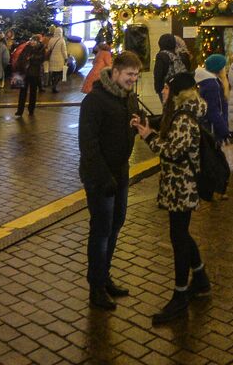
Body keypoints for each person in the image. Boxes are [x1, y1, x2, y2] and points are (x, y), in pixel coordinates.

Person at [133, 73, 211, 325]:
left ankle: (179, 295)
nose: (163, 91)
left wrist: (149, 138)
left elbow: (173, 151)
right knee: (182, 234)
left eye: (166, 88)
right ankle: (200, 279)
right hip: (178, 184)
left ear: (177, 92)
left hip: (182, 185)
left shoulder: (185, 118)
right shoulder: (181, 113)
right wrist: (151, 127)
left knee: (178, 237)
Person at [79, 51, 142, 310]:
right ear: (115, 72)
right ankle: (95, 287)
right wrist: (104, 178)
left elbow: (131, 126)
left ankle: (104, 278)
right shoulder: (95, 101)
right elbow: (88, 145)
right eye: (129, 75)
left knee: (115, 226)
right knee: (101, 232)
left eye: (136, 76)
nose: (132, 80)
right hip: (100, 177)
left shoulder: (127, 99)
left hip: (120, 172)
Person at [195, 54, 230, 164]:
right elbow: (214, 111)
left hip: (209, 126)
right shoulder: (213, 84)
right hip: (213, 129)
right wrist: (224, 130)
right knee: (214, 160)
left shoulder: (207, 82)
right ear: (219, 68)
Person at [15, 32, 48, 118]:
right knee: (22, 92)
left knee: (33, 93)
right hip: (25, 73)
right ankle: (19, 110)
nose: (32, 42)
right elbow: (21, 57)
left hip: (34, 73)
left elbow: (42, 58)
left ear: (38, 42)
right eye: (32, 40)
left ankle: (31, 110)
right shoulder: (27, 47)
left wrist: (31, 58)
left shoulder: (41, 48)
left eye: (34, 41)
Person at [152, 34, 186, 103]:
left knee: (167, 107)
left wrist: (158, 88)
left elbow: (158, 74)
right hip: (179, 87)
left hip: (166, 87)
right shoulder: (178, 54)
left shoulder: (161, 56)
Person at [45, 26, 69, 94]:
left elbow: (49, 49)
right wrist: (66, 58)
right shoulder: (62, 40)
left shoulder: (51, 39)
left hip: (52, 58)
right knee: (59, 73)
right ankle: (54, 86)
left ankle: (53, 84)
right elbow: (64, 51)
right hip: (60, 59)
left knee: (54, 73)